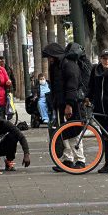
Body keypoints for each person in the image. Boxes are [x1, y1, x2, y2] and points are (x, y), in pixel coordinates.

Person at [41, 42, 85, 171]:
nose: (49, 59)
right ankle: (68, 159)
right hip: (61, 104)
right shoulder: (58, 65)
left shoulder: (68, 65)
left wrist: (69, 105)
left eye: (50, 56)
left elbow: (71, 87)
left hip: (69, 105)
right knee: (64, 132)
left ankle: (80, 159)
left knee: (73, 132)